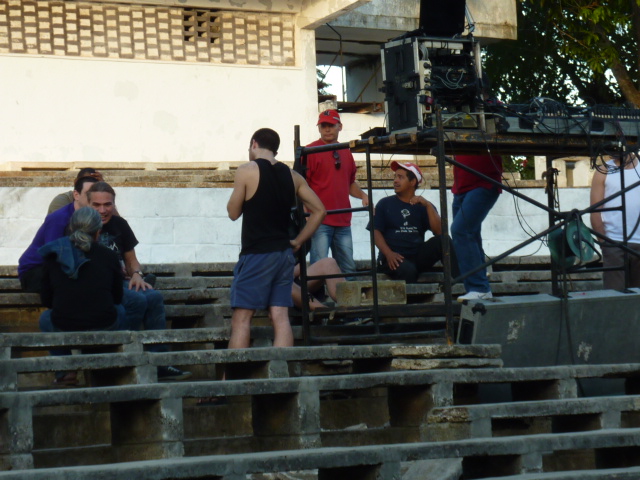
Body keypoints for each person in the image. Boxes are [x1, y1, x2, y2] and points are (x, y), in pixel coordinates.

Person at [227, 128, 326, 349]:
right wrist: (298, 241)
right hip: (284, 254)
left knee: (242, 317)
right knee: (280, 315)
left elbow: (233, 213)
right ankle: (282, 369)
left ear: (254, 144)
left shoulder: (247, 170)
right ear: (276, 149)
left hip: (257, 253)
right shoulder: (293, 176)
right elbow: (320, 210)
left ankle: (234, 370)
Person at [87, 181, 191, 381]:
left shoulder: (120, 224)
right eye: (97, 205)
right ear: (88, 204)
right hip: (99, 285)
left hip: (121, 281)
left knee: (153, 297)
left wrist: (137, 274)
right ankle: (128, 357)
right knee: (137, 300)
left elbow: (132, 260)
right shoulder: (81, 225)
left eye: (107, 204)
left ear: (114, 204)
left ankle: (159, 362)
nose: (102, 210)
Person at [38, 207, 126, 385]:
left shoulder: (53, 254)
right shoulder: (109, 256)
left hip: (65, 324)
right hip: (105, 324)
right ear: (98, 231)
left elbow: (47, 299)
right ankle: (110, 368)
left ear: (71, 228)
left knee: (46, 318)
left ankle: (65, 372)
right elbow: (117, 297)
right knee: (121, 311)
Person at [369, 161, 458, 283]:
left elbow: (440, 232)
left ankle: (462, 282)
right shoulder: (384, 203)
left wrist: (428, 206)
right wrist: (389, 254)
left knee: (444, 240)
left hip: (416, 256)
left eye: (400, 177)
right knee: (408, 270)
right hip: (392, 258)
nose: (395, 181)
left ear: (413, 182)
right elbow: (375, 231)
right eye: (395, 177)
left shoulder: (424, 206)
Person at [305, 109, 369, 276]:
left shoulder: (346, 151)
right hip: (320, 220)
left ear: (340, 126)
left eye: (331, 125)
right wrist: (306, 214)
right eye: (323, 126)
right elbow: (301, 186)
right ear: (319, 128)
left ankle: (345, 294)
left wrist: (363, 195)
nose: (327, 129)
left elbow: (349, 183)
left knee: (347, 269)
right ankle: (318, 293)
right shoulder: (310, 151)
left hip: (342, 220)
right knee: (319, 269)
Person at [18, 175, 100, 293]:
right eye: (89, 193)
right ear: (76, 195)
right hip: (35, 271)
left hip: (63, 269)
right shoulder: (59, 218)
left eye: (97, 193)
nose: (94, 198)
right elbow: (53, 255)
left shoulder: (97, 217)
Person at [451, 152, 503, 302]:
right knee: (470, 234)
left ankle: (479, 287)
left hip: (483, 182)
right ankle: (479, 282)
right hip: (461, 187)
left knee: (461, 230)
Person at [590, 151, 640, 289]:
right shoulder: (603, 171)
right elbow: (595, 212)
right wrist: (605, 243)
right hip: (614, 242)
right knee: (614, 294)